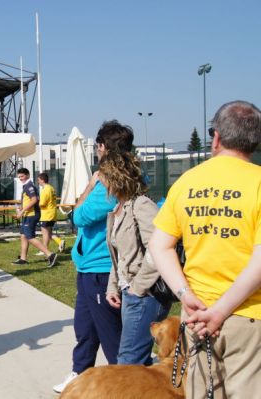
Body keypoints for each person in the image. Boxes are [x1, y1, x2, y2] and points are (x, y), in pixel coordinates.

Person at [149, 100, 261, 398]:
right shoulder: (259, 183)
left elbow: (160, 246)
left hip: (196, 316)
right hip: (248, 318)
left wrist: (186, 297)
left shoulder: (187, 182)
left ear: (216, 138)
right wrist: (222, 311)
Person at [53, 120, 132, 394]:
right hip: (88, 268)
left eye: (97, 147)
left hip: (102, 270)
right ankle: (80, 374)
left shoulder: (112, 181)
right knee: (85, 329)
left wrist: (90, 184)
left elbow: (79, 215)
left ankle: (122, 385)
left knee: (111, 334)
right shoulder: (120, 175)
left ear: (102, 147)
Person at [98, 152, 171, 365]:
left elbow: (158, 249)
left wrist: (137, 287)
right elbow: (120, 256)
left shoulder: (141, 205)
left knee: (129, 362)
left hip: (146, 295)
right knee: (135, 360)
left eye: (102, 175)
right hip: (131, 293)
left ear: (115, 177)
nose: (100, 181)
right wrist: (113, 287)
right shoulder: (118, 209)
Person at [12, 168, 58, 267]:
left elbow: (34, 200)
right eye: (19, 177)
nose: (21, 178)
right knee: (23, 235)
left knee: (30, 237)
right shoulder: (26, 186)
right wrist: (21, 208)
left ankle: (50, 255)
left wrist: (22, 211)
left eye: (22, 176)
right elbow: (28, 200)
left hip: (31, 215)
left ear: (27, 175)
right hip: (27, 214)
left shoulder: (29, 186)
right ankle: (23, 259)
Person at [36, 173, 65, 255]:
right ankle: (59, 241)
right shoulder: (51, 188)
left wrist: (37, 203)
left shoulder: (45, 190)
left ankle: (44, 250)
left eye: (38, 180)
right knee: (48, 233)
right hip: (52, 213)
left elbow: (42, 204)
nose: (38, 182)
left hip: (46, 214)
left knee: (45, 233)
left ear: (42, 180)